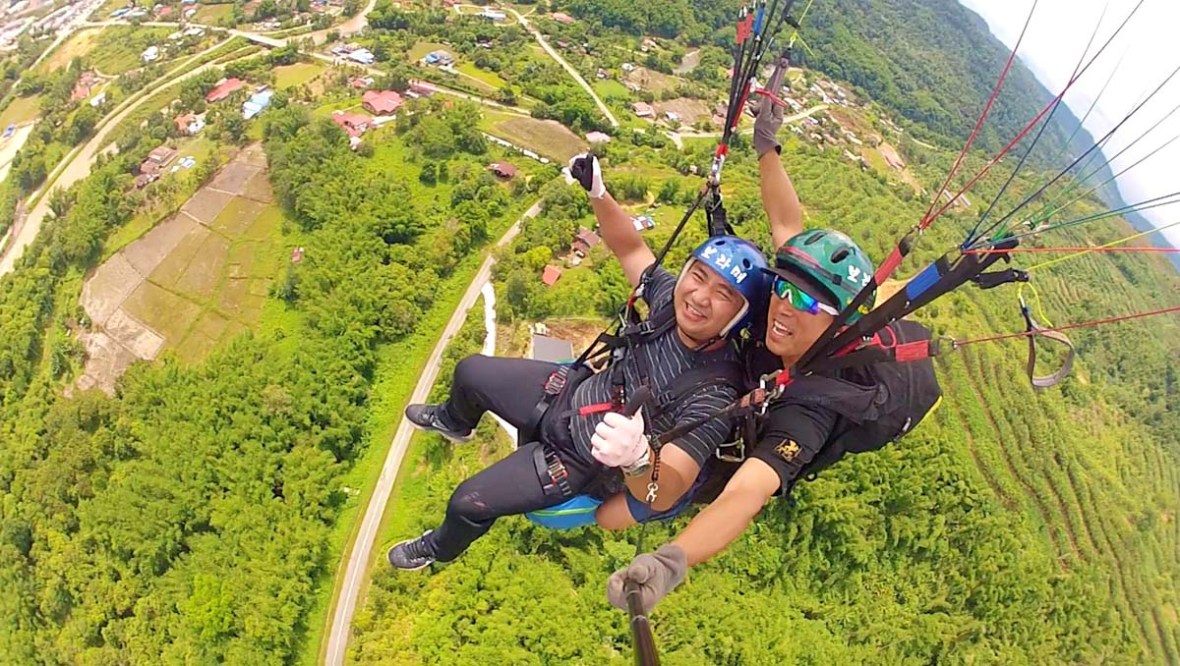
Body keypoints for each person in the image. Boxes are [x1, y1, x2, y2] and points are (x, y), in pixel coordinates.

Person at [603, 89, 943, 612]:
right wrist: (767, 148)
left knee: (611, 513)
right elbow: (788, 224)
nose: (785, 305)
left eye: (808, 301)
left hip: (729, 445)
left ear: (835, 324)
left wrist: (673, 560)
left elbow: (747, 493)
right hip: (723, 388)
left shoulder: (811, 411)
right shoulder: (781, 303)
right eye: (784, 287)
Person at [386, 154, 770, 570]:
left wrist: (638, 457)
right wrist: (599, 193)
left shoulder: (714, 391)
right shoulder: (667, 303)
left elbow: (667, 489)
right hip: (570, 393)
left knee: (467, 502)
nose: (699, 297)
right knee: (470, 372)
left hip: (578, 460)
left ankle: (437, 548)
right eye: (698, 276)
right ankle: (455, 421)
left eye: (723, 295)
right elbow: (630, 246)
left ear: (738, 316)